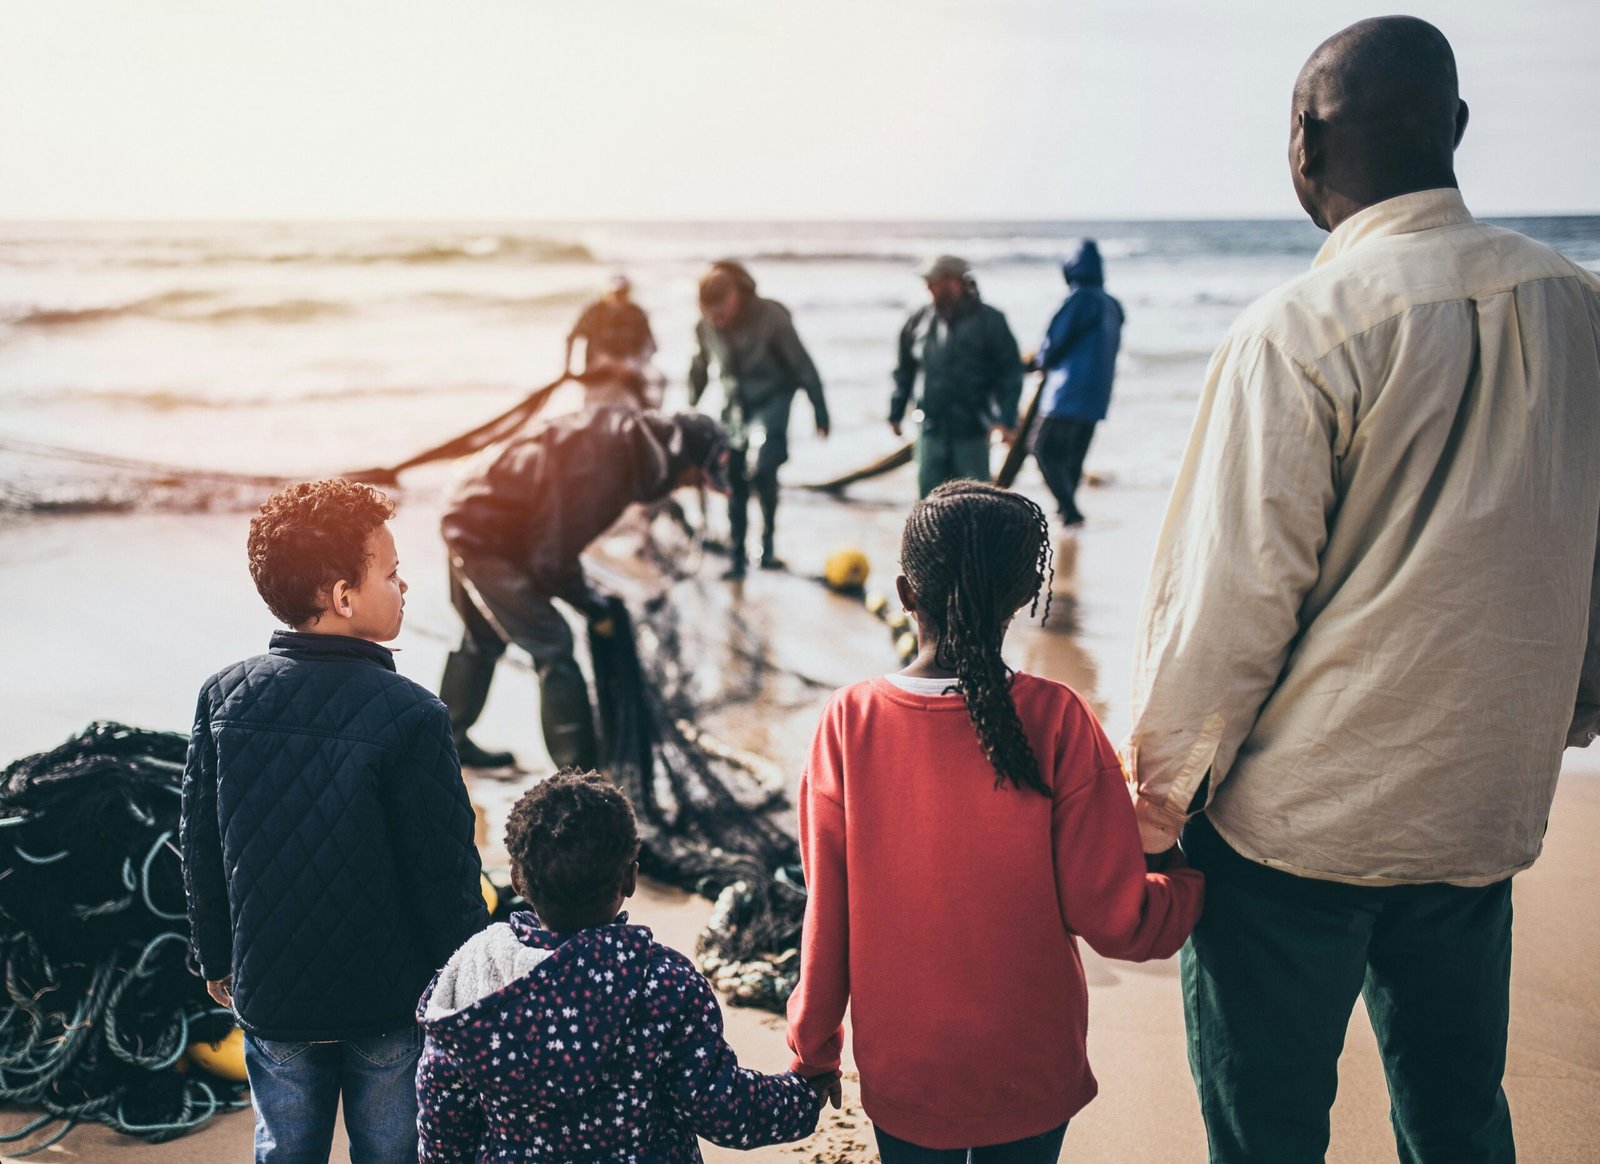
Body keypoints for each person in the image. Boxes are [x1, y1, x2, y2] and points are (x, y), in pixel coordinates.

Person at [1127, 17, 1600, 1163]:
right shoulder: (1579, 309)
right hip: (1478, 810)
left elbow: (1229, 608)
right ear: (1457, 131)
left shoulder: (1297, 333)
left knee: (1268, 1131)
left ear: (1302, 143)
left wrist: (1153, 809)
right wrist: (1566, 717)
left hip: (1298, 831)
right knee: (1456, 1117)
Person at [786, 481, 1204, 1162]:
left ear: (903, 592)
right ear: (1019, 601)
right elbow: (1117, 920)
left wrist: (814, 1047)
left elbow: (827, 919)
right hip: (1032, 1065)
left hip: (907, 1070)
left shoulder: (848, 722)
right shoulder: (1060, 718)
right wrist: (1185, 877)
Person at [180, 480, 488, 1164]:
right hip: (386, 1002)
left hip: (272, 993)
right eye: (391, 573)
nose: (404, 586)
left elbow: (199, 841)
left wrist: (215, 953)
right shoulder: (412, 714)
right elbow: (444, 872)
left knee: (286, 1148)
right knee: (391, 1151)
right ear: (344, 597)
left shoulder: (223, 696)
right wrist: (465, 983)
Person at [417, 771, 837, 1162]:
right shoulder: (664, 983)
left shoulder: (474, 979)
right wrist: (800, 1095)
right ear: (630, 879)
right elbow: (723, 1109)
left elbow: (442, 1117)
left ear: (518, 879)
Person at [437, 408, 730, 770]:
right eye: (692, 479)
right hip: (481, 533)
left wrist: (588, 598)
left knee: (482, 638)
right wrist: (592, 604)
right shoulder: (607, 466)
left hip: (477, 513)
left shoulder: (627, 440)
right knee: (553, 643)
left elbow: (549, 539)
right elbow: (552, 559)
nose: (687, 486)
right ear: (679, 456)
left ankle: (446, 744)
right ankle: (578, 774)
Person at [689, 260, 829, 577]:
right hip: (734, 406)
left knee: (765, 468)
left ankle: (767, 546)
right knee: (732, 477)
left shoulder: (771, 316)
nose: (717, 319)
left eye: (721, 311)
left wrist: (819, 410)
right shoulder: (705, 325)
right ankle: (737, 558)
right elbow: (699, 366)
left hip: (773, 400)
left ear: (735, 295)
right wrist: (690, 410)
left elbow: (803, 364)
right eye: (710, 313)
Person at [890, 255, 1023, 498]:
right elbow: (904, 370)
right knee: (928, 506)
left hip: (972, 430)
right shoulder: (919, 320)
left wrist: (1006, 419)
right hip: (930, 429)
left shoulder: (990, 320)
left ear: (956, 282)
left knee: (976, 503)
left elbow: (1010, 373)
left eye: (934, 281)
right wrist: (896, 412)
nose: (928, 287)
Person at [1031, 239, 1124, 527]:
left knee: (1041, 447)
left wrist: (1041, 361)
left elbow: (1056, 339)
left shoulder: (1079, 298)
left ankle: (1069, 510)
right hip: (1098, 392)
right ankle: (1068, 512)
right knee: (1073, 457)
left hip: (1067, 391)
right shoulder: (1112, 304)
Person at [563, 274, 659, 409]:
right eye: (616, 293)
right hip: (597, 376)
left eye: (623, 293)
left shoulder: (637, 314)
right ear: (607, 293)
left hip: (629, 376)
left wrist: (630, 365)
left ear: (629, 293)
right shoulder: (594, 313)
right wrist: (567, 368)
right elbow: (571, 338)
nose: (619, 297)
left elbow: (651, 346)